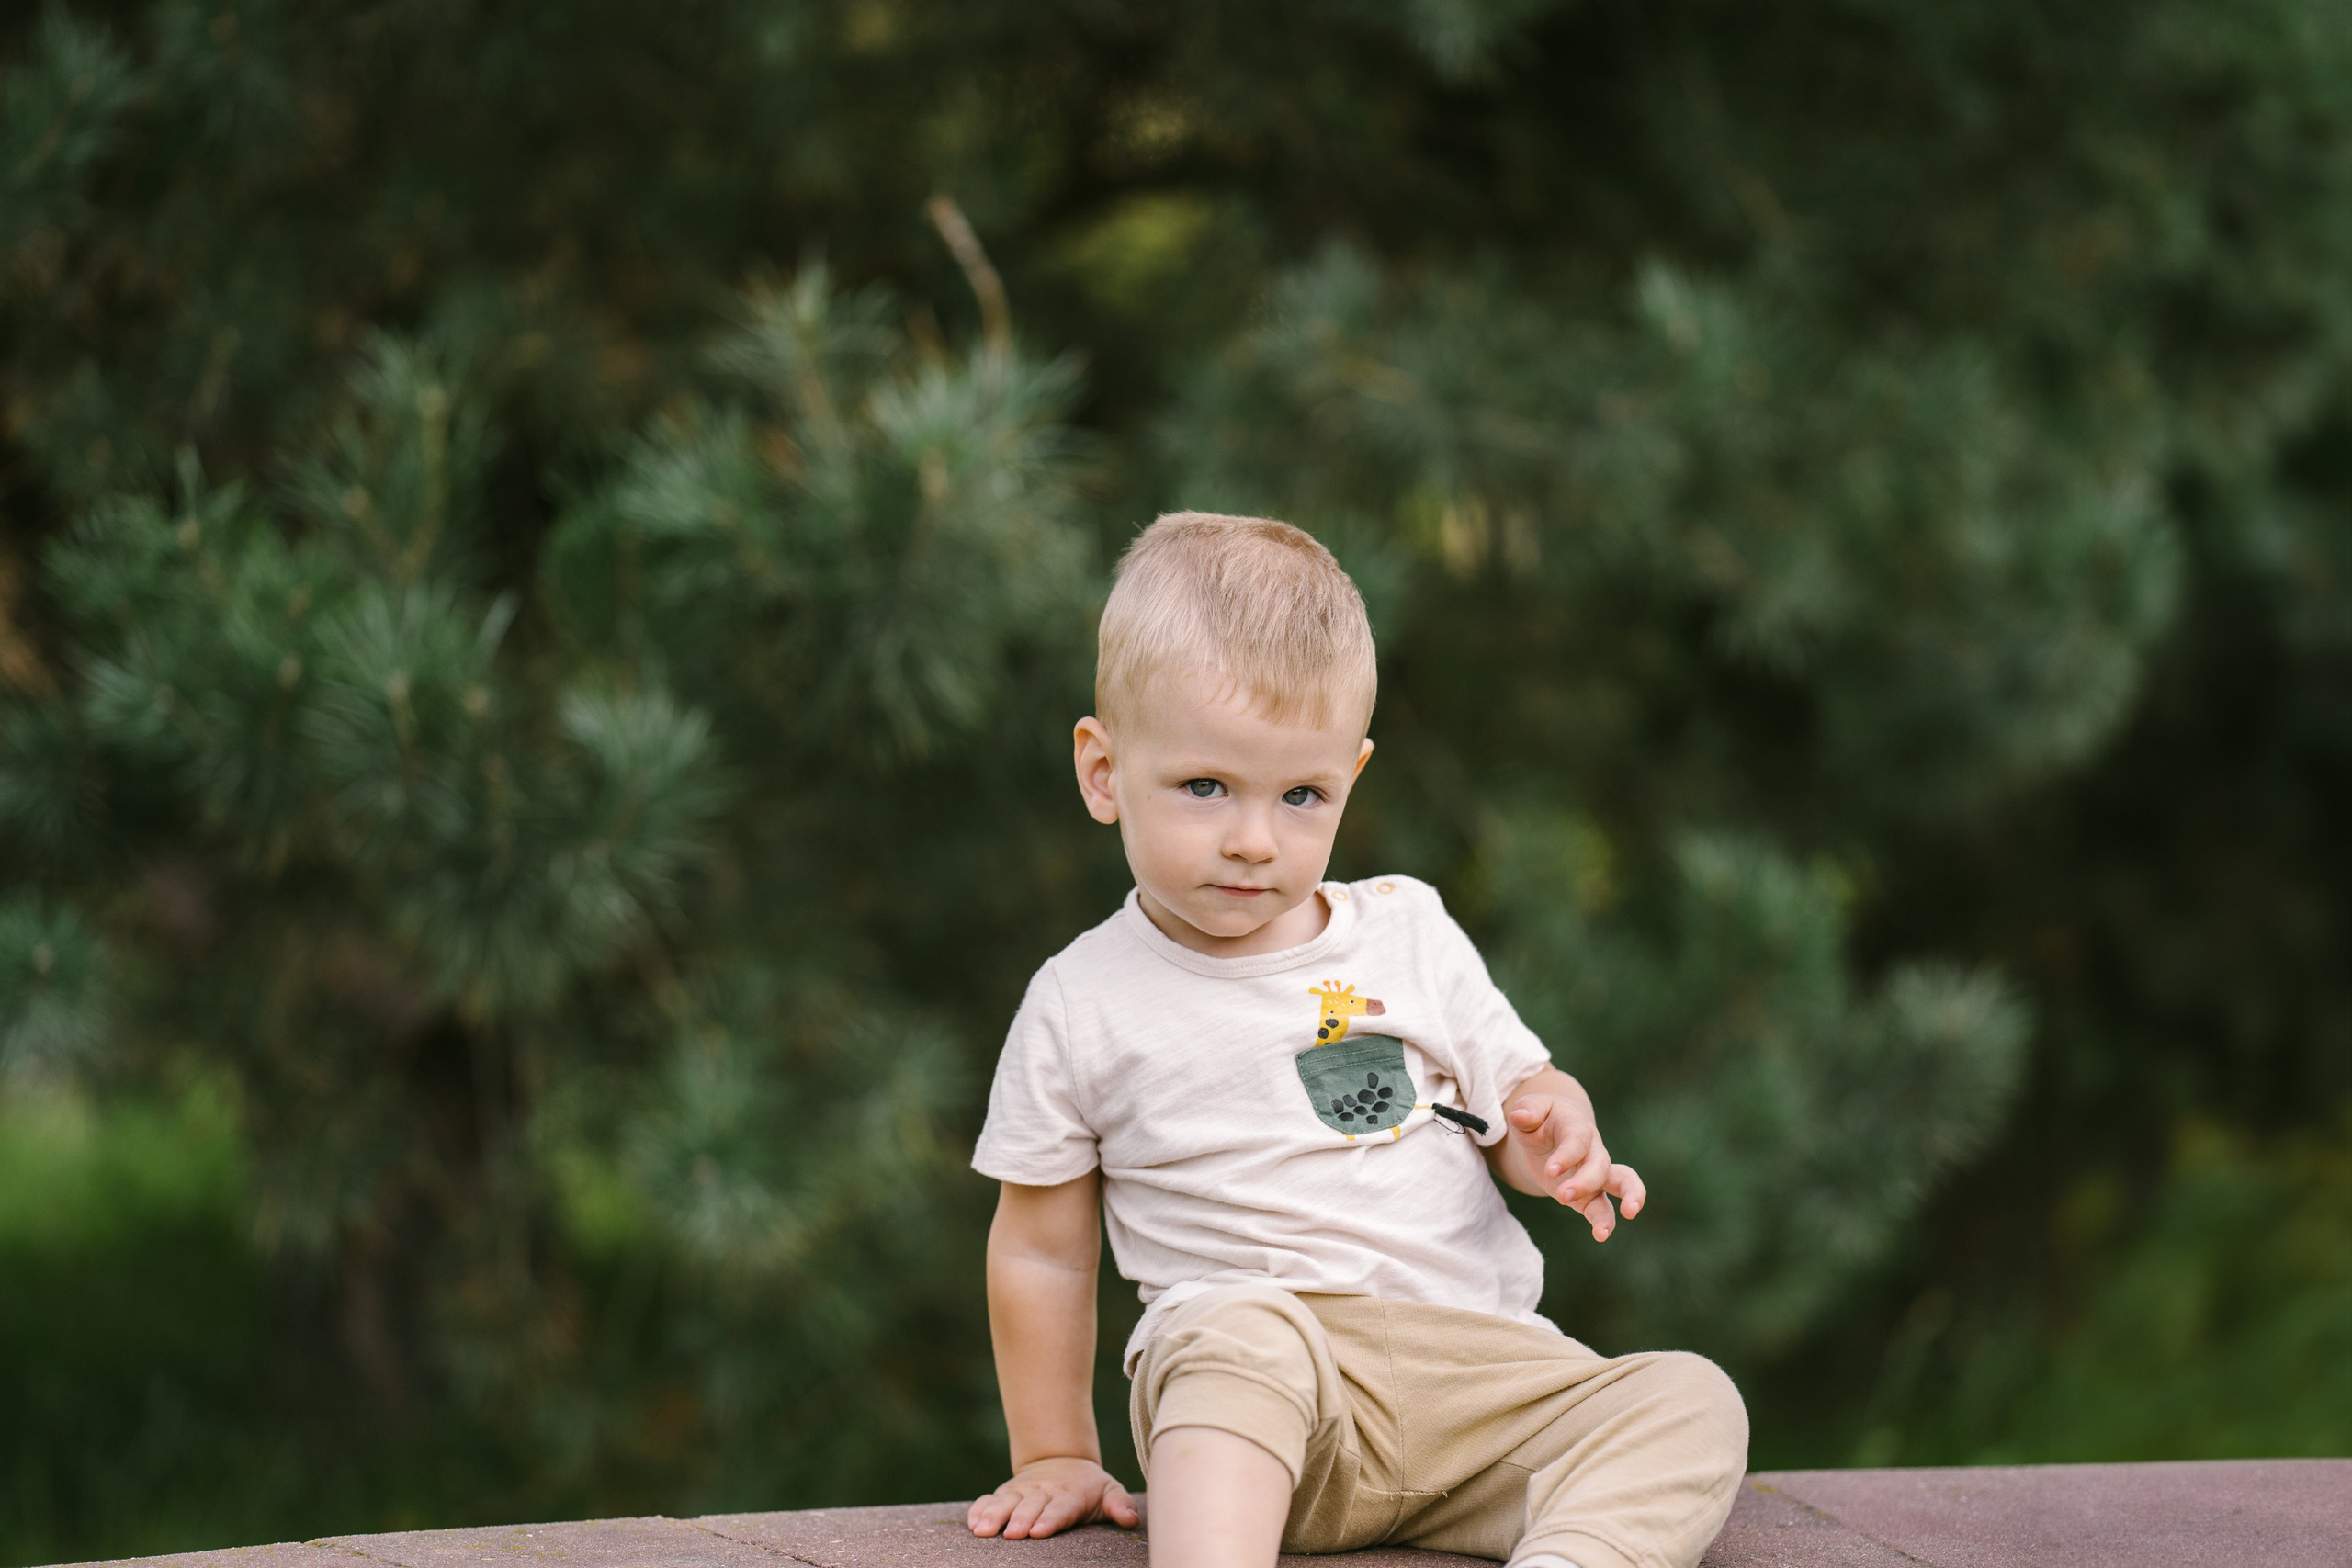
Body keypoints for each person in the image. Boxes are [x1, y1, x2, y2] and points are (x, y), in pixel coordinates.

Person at [964, 512, 1748, 1568]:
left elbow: (1506, 1108)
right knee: (1234, 1340)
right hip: (1265, 1393)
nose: (1253, 838)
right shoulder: (1081, 1000)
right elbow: (1040, 1251)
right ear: (1103, 771)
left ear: (1351, 776)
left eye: (1301, 796)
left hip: (1479, 1377)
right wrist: (1054, 1451)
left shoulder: (1406, 930)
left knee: (1688, 1398)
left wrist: (1552, 1130)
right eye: (1205, 787)